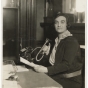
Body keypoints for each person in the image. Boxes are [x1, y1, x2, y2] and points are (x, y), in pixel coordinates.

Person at [33, 13, 83, 88]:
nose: (59, 25)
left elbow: (66, 65)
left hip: (70, 81)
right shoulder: (56, 40)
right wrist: (46, 54)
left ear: (67, 24)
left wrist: (46, 69)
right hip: (58, 76)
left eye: (62, 22)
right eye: (56, 22)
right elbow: (54, 62)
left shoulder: (71, 41)